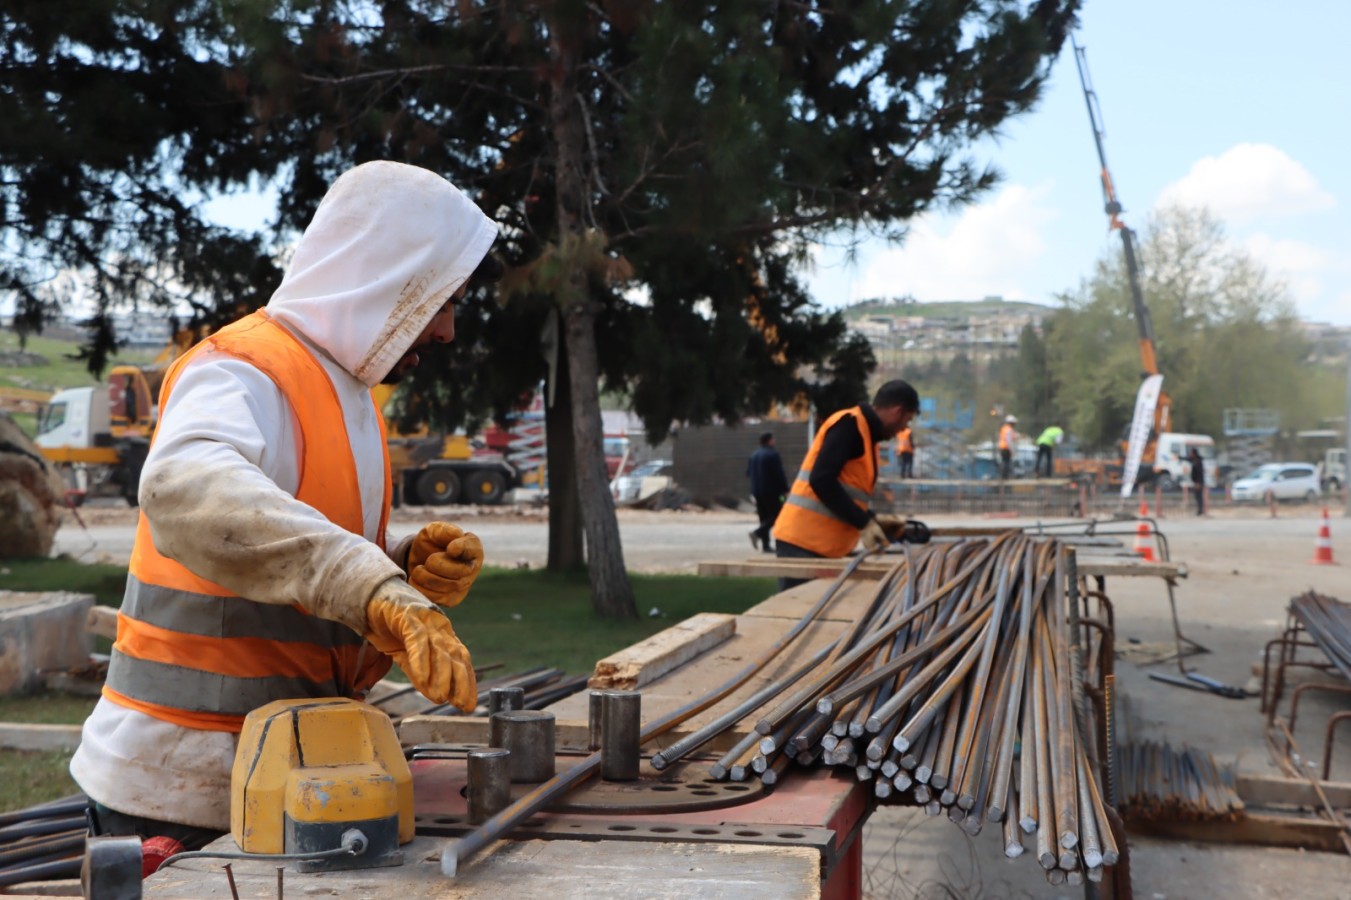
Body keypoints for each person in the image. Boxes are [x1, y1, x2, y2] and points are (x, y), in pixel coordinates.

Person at [70, 161, 501, 848]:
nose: (447, 330)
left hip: (276, 770)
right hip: (180, 782)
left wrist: (396, 563)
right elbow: (184, 488)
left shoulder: (344, 390)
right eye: (440, 302)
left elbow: (284, 549)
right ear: (383, 280)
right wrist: (367, 584)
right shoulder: (241, 368)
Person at [772, 380, 920, 590]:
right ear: (897, 412)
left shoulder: (866, 436)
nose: (904, 428)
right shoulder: (850, 425)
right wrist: (863, 522)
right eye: (907, 419)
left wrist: (873, 519)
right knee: (802, 608)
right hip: (803, 542)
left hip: (817, 543)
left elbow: (846, 492)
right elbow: (821, 480)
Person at [747, 431, 789, 554]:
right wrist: (785, 489)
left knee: (763, 517)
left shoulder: (753, 455)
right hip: (771, 492)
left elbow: (748, 473)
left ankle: (765, 545)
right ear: (770, 441)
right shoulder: (772, 455)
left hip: (757, 491)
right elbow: (778, 474)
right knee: (777, 516)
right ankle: (757, 533)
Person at [998, 415, 1018, 479]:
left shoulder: (1003, 428)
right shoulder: (1009, 430)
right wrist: (1012, 450)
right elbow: (1009, 440)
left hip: (1002, 447)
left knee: (1004, 462)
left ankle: (1003, 475)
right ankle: (1005, 476)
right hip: (1006, 448)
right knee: (1006, 462)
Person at [1188, 446, 1206, 516]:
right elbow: (1188, 459)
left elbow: (1199, 473)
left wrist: (1198, 483)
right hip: (1196, 482)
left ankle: (1200, 510)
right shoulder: (1194, 460)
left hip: (1199, 482)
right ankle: (1199, 510)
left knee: (1199, 497)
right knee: (1197, 496)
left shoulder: (1198, 462)